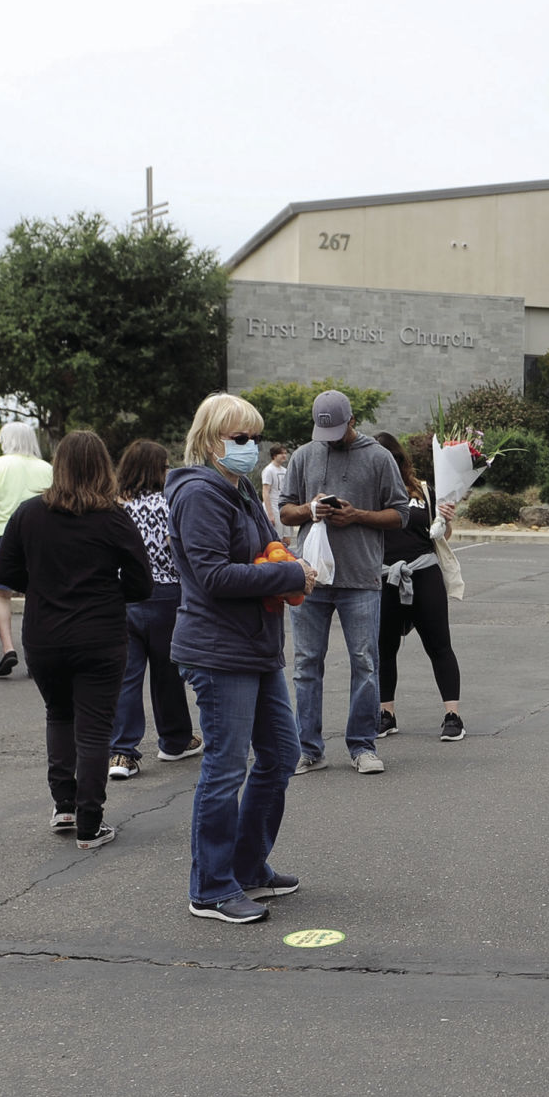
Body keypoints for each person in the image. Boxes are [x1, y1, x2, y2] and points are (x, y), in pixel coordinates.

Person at [168, 393, 316, 923]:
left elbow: (255, 554)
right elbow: (213, 576)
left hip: (253, 646)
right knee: (225, 769)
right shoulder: (200, 494)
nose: (251, 447)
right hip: (219, 649)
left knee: (279, 754)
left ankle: (248, 868)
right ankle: (210, 888)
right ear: (211, 442)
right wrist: (289, 574)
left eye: (255, 437)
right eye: (240, 439)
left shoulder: (239, 488)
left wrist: (285, 561)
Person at [0, 431, 151, 850]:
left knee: (59, 715)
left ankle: (64, 804)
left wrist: (45, 585)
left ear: (58, 465)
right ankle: (90, 821)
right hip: (100, 633)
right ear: (103, 466)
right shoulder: (114, 518)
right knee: (96, 728)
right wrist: (109, 592)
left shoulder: (29, 514)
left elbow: (6, 574)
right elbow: (141, 582)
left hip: (45, 633)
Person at [278, 390, 409, 775]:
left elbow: (401, 514)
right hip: (311, 578)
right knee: (305, 664)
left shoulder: (379, 457)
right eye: (324, 431)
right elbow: (285, 511)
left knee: (365, 663)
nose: (330, 439)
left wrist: (358, 516)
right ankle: (309, 749)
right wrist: (309, 510)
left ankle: (362, 746)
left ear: (353, 421)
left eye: (337, 430)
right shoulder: (304, 455)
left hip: (361, 578)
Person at [106, 440, 201, 781]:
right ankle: (174, 740)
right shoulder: (170, 505)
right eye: (164, 467)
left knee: (127, 678)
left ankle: (122, 753)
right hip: (165, 595)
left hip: (123, 597)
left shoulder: (115, 508)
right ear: (155, 470)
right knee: (167, 673)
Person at [373, 432, 465, 742]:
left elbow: (441, 534)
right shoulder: (367, 491)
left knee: (439, 645)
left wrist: (446, 520)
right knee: (384, 648)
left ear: (398, 459)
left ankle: (453, 715)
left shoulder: (422, 490)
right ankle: (386, 713)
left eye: (387, 459)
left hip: (423, 574)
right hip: (383, 576)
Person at [0, 422, 55, 677]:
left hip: (2, 536)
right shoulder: (47, 469)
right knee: (38, 592)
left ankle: (8, 648)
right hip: (43, 539)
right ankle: (35, 654)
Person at [261, 444, 292, 541]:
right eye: (281, 453)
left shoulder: (285, 470)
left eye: (285, 453)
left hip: (283, 508)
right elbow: (265, 492)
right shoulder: (268, 470)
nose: (284, 456)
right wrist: (270, 514)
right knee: (276, 539)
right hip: (273, 508)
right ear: (274, 456)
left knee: (287, 539)